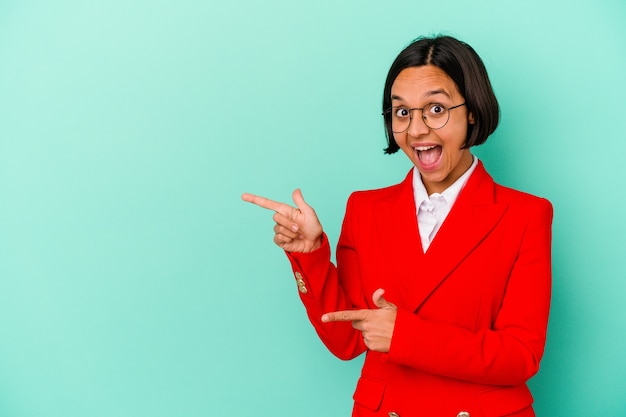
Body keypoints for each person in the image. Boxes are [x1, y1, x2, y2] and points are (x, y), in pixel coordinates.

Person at [242, 35, 552, 417]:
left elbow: (521, 356)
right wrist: (311, 256)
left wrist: (406, 337)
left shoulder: (525, 215)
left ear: (472, 110)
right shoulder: (365, 208)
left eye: (435, 108)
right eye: (401, 112)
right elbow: (346, 341)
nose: (417, 129)